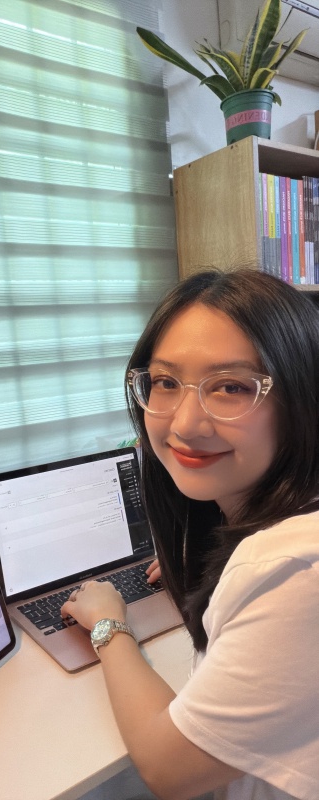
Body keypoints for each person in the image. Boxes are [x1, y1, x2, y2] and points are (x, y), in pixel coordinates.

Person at [61, 268, 319, 800]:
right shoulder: (265, 529)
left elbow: (167, 770)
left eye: (230, 387)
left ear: (302, 398)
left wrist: (110, 625)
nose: (184, 423)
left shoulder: (296, 571)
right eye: (165, 382)